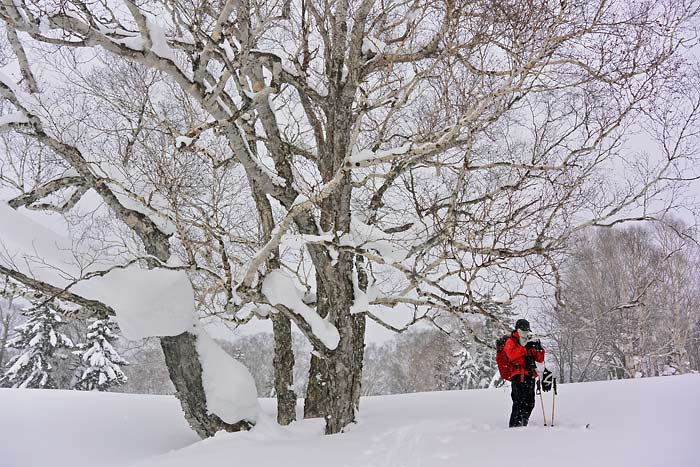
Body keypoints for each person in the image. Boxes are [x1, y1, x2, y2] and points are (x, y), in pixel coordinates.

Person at [504, 318, 545, 427]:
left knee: (530, 402)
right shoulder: (511, 341)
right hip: (517, 375)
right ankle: (514, 427)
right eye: (523, 329)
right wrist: (525, 348)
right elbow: (511, 355)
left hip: (529, 375)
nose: (526, 332)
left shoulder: (529, 340)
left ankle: (523, 423)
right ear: (518, 329)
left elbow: (540, 359)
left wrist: (539, 349)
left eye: (527, 330)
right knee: (518, 402)